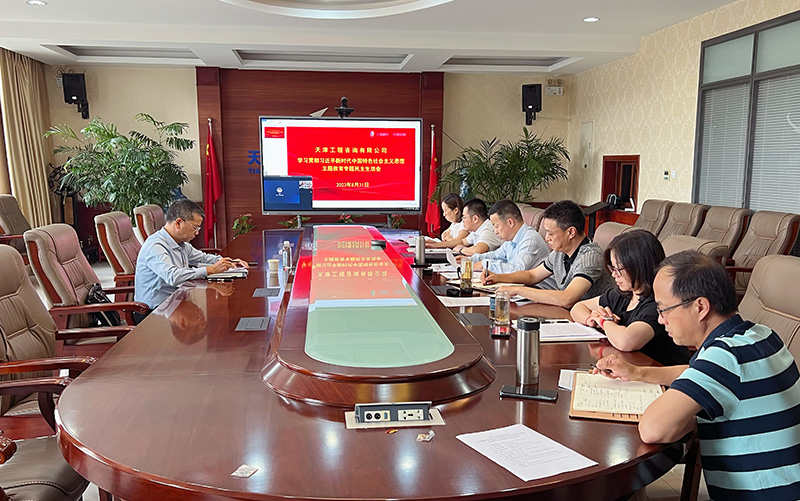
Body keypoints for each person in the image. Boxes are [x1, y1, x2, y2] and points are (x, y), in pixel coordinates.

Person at [595, 251, 800, 500]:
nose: (661, 320)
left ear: (700, 307)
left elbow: (653, 429)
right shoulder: (760, 335)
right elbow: (697, 373)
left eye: (664, 309)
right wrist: (637, 372)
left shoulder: (723, 357)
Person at [571, 230, 690, 366]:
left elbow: (626, 341)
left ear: (639, 266)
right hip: (631, 369)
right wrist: (592, 319)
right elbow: (578, 308)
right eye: (612, 268)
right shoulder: (623, 294)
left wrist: (604, 321)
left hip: (660, 374)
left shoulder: (658, 303)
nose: (614, 275)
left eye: (619, 269)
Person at [484, 200, 613, 308]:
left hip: (594, 320)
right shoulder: (559, 253)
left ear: (571, 232)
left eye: (551, 233)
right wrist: (498, 277)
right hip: (568, 313)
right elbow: (532, 275)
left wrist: (518, 290)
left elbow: (567, 298)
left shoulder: (590, 257)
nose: (546, 238)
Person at [134, 199, 248, 320]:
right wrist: (210, 270)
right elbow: (173, 276)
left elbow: (203, 258)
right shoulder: (155, 246)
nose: (197, 233)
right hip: (153, 313)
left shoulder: (181, 243)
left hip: (175, 303)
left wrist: (230, 262)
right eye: (195, 228)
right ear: (178, 223)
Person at [469, 199, 552, 277]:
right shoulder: (511, 239)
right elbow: (496, 255)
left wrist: (486, 264)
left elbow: (518, 270)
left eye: (496, 226)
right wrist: (470, 260)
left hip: (537, 287)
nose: (495, 231)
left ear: (510, 222)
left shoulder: (530, 240)